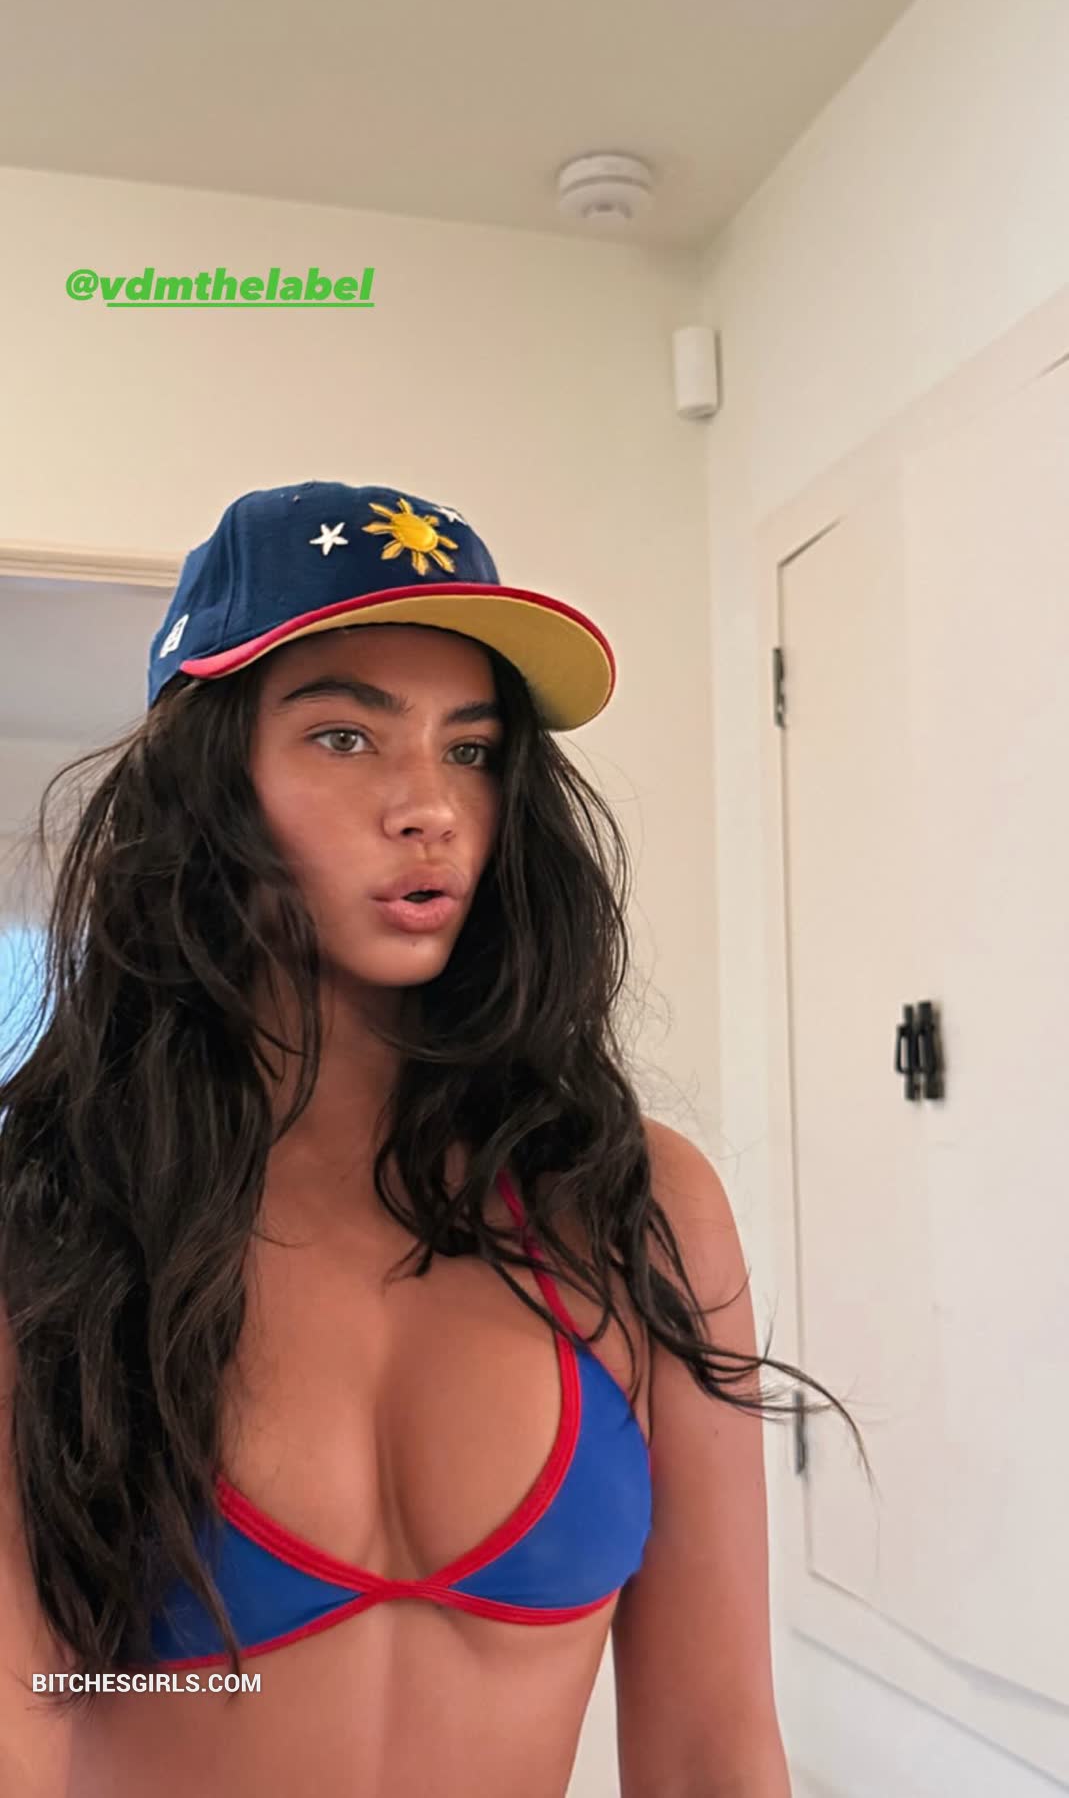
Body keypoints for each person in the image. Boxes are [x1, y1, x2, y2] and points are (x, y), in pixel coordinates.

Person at [0, 481, 866, 1797]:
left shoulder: (633, 1205)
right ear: (205, 783)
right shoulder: (51, 1208)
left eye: (471, 749)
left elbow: (712, 1753)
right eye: (346, 736)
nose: (430, 806)